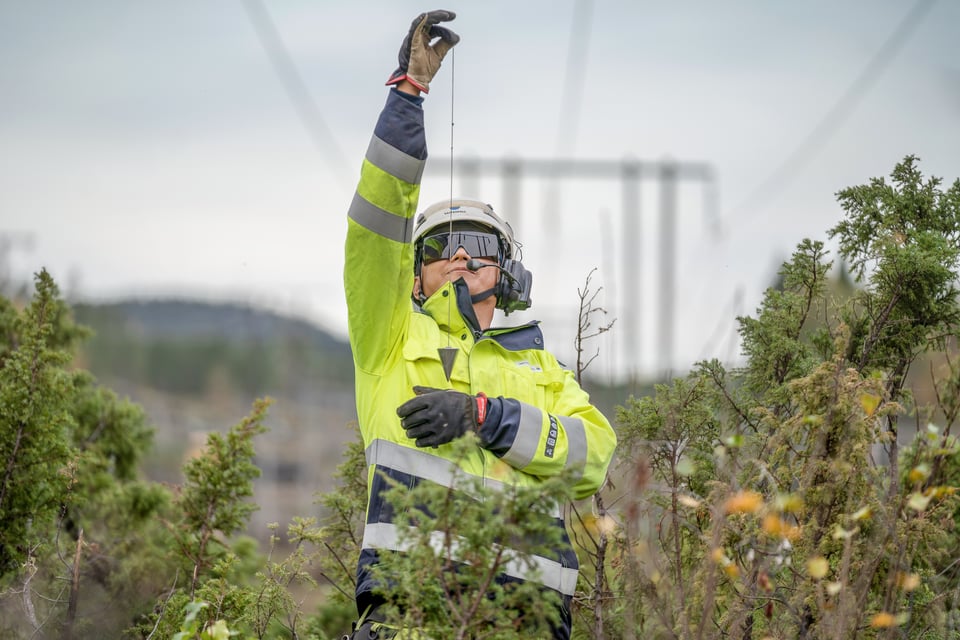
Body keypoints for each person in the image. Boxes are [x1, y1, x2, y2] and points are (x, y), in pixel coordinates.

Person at [343, 10, 617, 639]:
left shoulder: (542, 368)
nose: (460, 256)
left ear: (508, 271)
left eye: (475, 244)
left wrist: (488, 418)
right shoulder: (390, 337)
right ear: (413, 276)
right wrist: (407, 98)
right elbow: (374, 231)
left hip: (528, 621)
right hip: (409, 609)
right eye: (440, 247)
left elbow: (593, 458)